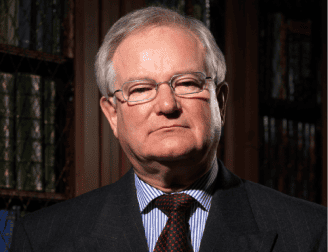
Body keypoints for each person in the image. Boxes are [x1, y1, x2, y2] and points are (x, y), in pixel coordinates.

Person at [10, 6, 328, 252]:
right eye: (141, 89)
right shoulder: (41, 239)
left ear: (221, 102)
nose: (167, 105)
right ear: (112, 114)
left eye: (187, 83)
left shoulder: (311, 232)